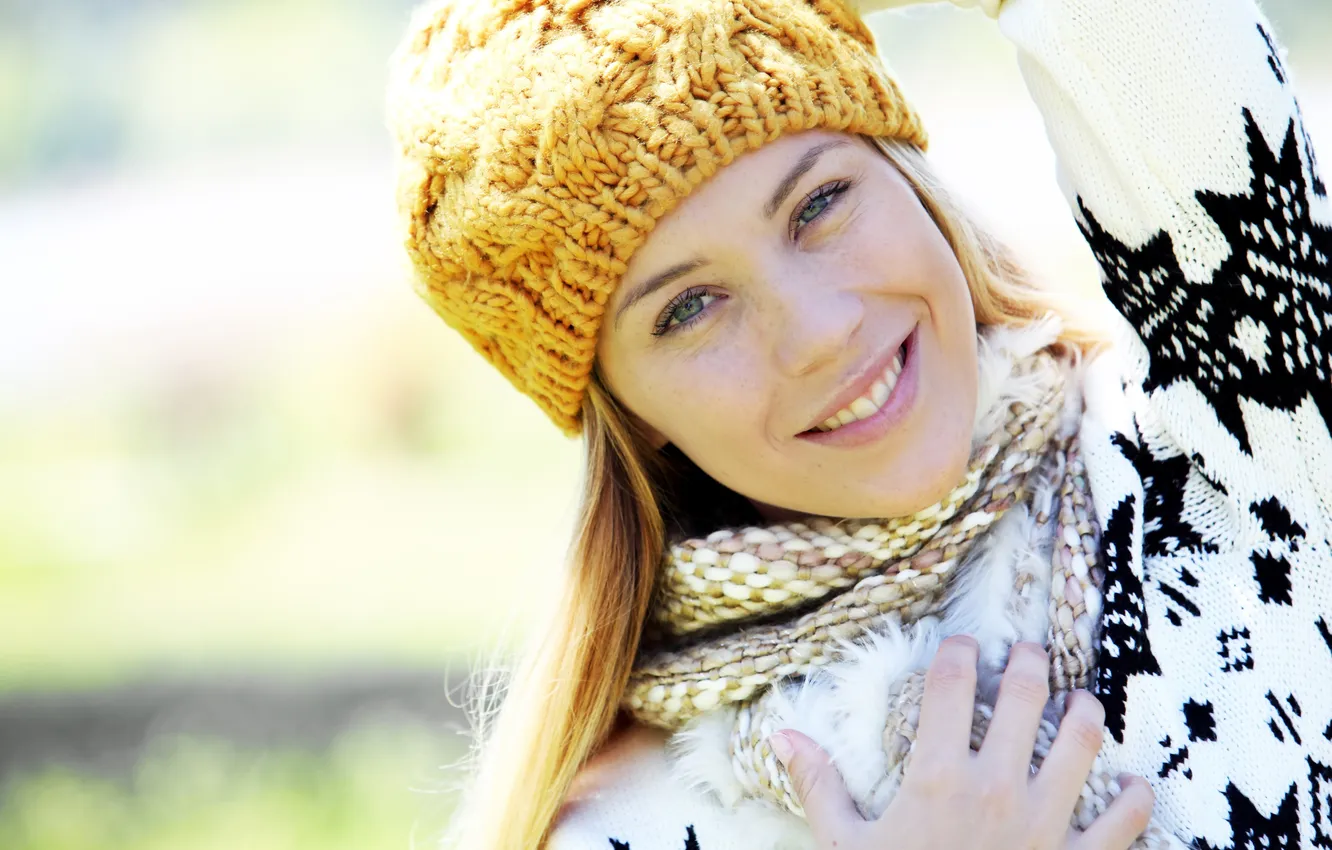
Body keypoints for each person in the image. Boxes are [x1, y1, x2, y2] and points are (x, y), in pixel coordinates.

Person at [385, 0, 1332, 847]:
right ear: (631, 415)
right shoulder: (623, 827)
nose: (821, 332)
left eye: (820, 203)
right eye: (689, 308)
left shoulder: (1232, 448)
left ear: (907, 175)